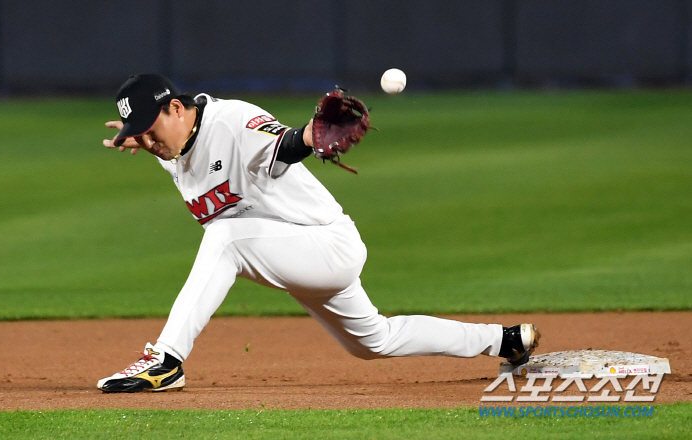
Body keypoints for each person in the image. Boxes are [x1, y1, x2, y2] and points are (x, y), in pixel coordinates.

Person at [97, 74, 540, 393]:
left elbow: (288, 142)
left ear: (175, 107)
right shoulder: (167, 145)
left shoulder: (232, 121)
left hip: (325, 244)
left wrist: (311, 134)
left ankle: (166, 361)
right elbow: (165, 144)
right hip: (291, 250)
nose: (148, 141)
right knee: (375, 341)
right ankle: (503, 339)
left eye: (150, 128)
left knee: (224, 239)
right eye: (139, 134)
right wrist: (143, 135)